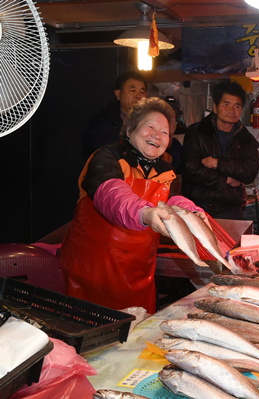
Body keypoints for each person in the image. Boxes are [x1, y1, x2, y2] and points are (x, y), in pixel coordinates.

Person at [62, 97, 206, 313]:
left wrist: (192, 213)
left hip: (139, 275)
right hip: (92, 274)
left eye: (165, 132)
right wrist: (144, 213)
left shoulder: (166, 171)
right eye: (150, 127)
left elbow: (173, 199)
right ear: (129, 129)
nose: (158, 135)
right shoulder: (106, 158)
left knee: (136, 339)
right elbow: (111, 193)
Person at [182, 80, 259, 219]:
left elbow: (250, 171)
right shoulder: (197, 132)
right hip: (197, 207)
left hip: (230, 209)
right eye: (226, 104)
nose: (231, 110)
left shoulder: (246, 139)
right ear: (216, 107)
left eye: (237, 106)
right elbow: (191, 169)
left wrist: (218, 163)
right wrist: (226, 180)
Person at [82, 71, 148, 157]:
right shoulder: (102, 121)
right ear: (118, 94)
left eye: (142, 92)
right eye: (133, 90)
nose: (138, 96)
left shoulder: (151, 119)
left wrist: (170, 156)